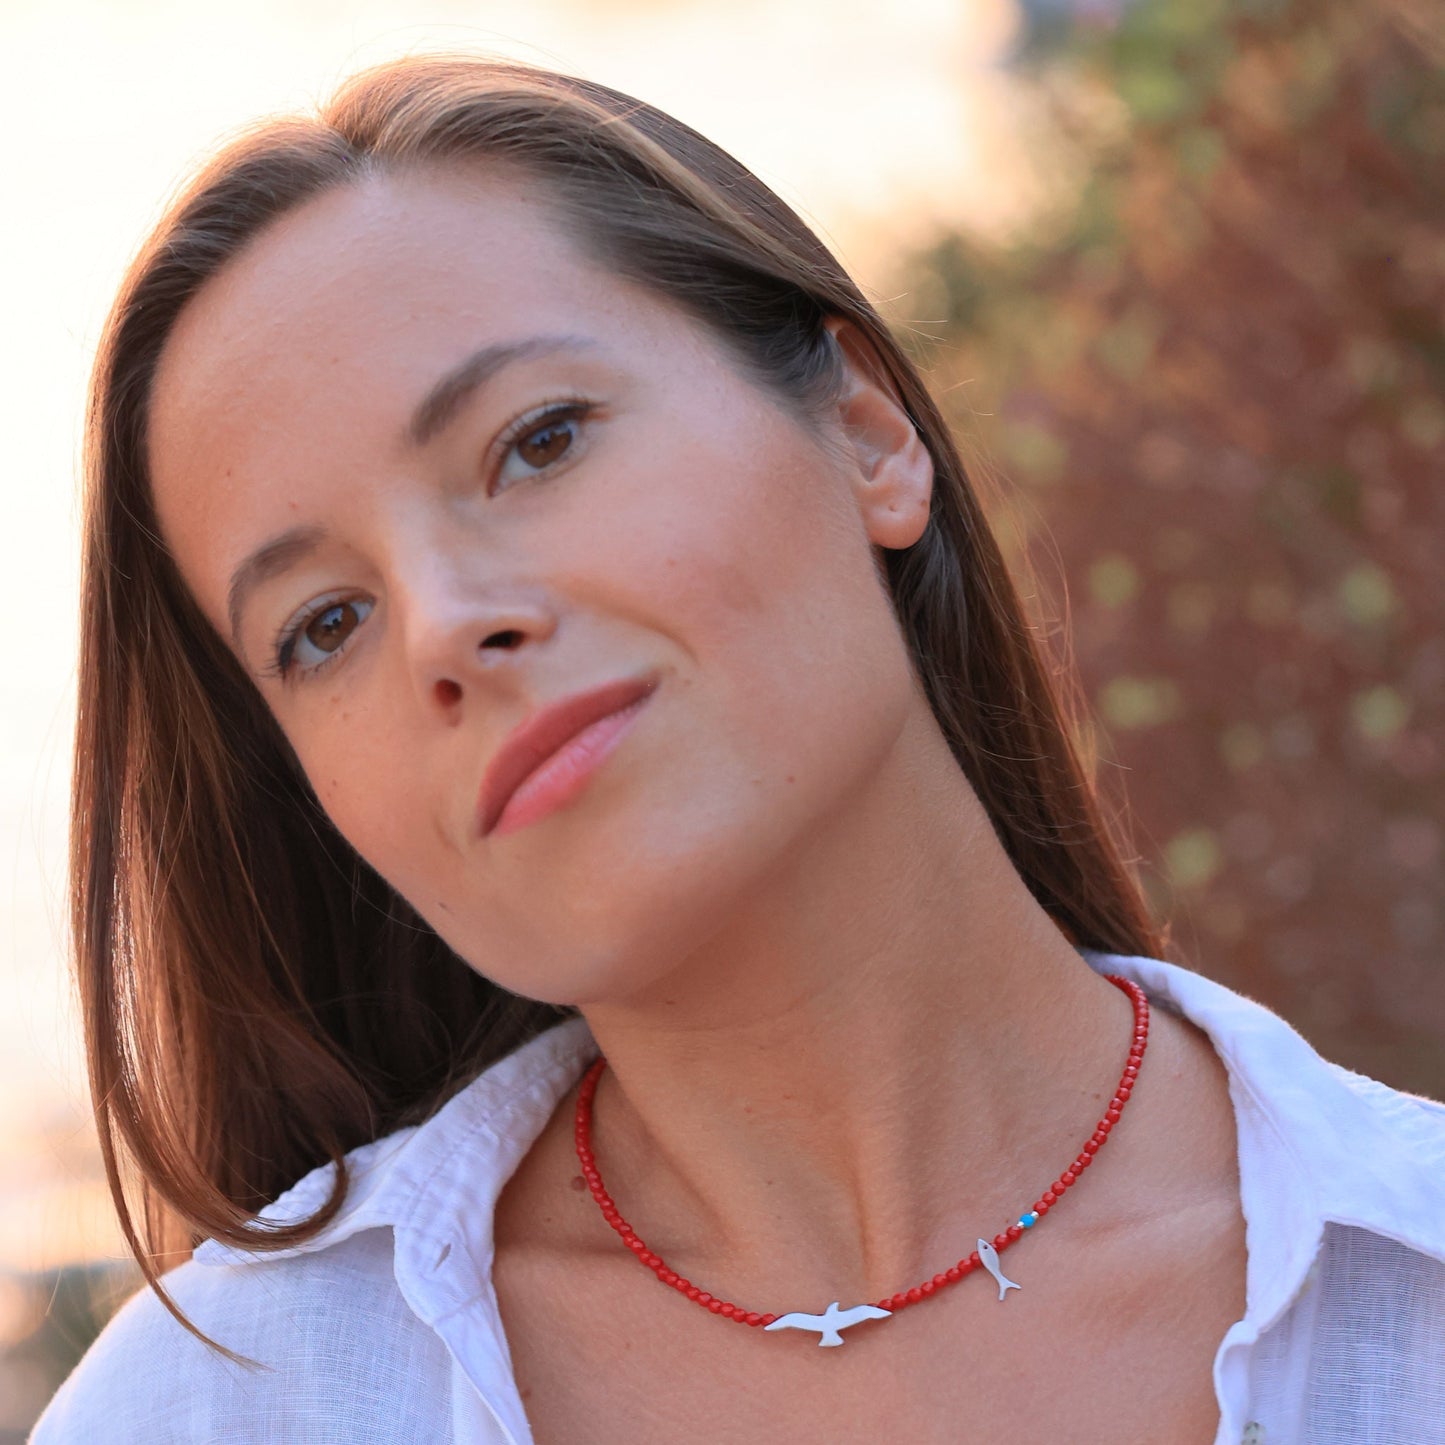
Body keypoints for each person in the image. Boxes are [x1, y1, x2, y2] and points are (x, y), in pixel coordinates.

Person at [31, 53, 1445, 1445]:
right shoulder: (222, 1409)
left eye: (537, 441)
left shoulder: (1413, 1296)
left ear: (868, 430)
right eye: (325, 622)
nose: (445, 628)